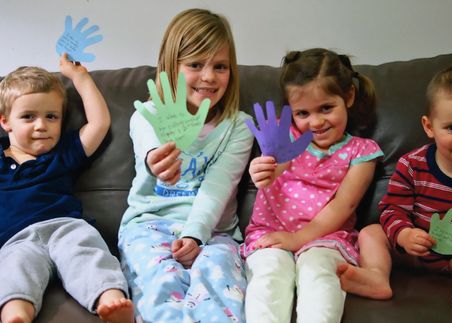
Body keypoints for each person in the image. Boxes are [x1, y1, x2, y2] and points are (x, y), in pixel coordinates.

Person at [118, 8, 253, 322]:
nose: (209, 77)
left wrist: (195, 235)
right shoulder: (147, 115)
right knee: (162, 282)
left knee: (219, 281)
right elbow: (151, 150)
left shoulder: (239, 126)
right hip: (149, 226)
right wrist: (157, 160)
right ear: (171, 66)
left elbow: (218, 186)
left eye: (220, 66)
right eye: (195, 65)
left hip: (215, 233)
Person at [240, 48, 389, 323]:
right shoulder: (284, 133)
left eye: (326, 108)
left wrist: (298, 239)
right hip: (271, 232)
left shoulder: (361, 151)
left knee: (318, 274)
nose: (316, 122)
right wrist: (262, 170)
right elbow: (275, 163)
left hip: (326, 238)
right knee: (268, 276)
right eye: (303, 113)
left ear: (349, 98)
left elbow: (345, 205)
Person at [0, 54, 133, 323]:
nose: (41, 126)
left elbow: (99, 124)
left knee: (86, 252)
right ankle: (16, 315)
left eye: (51, 116)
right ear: (5, 122)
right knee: (14, 269)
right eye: (28, 117)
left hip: (66, 227)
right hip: (17, 240)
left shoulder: (61, 155)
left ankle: (110, 299)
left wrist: (80, 77)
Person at [379, 66, 452, 315]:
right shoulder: (411, 165)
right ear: (429, 126)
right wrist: (404, 234)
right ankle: (375, 275)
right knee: (370, 234)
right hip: (412, 251)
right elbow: (392, 209)